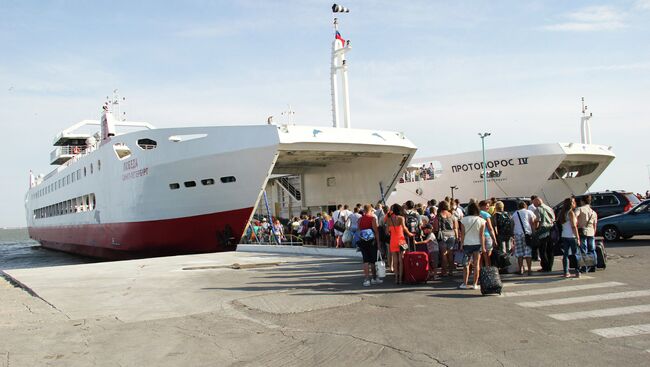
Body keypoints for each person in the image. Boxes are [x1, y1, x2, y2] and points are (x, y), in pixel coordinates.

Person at [458, 202, 486, 289]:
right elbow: (482, 235)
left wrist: (461, 244)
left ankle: (464, 283)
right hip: (477, 244)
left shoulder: (463, 220)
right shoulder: (481, 220)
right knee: (476, 264)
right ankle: (475, 284)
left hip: (467, 243)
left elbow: (462, 234)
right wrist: (483, 246)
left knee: (466, 264)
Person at [385, 203, 415, 284]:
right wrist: (410, 234)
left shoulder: (389, 219)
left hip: (393, 240)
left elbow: (387, 232)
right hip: (401, 240)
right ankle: (401, 279)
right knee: (401, 260)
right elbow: (404, 228)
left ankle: (396, 278)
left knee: (395, 260)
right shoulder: (401, 218)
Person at [358, 204, 382, 286]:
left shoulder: (360, 219)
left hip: (363, 241)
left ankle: (366, 279)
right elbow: (376, 232)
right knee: (372, 261)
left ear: (364, 210)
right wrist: (378, 243)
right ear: (371, 210)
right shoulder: (372, 218)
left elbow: (360, 230)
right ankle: (374, 278)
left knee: (365, 261)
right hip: (372, 241)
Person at [433, 200, 458, 277]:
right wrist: (456, 237)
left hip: (442, 236)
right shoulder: (452, 215)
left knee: (443, 254)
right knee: (450, 254)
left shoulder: (438, 216)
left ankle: (444, 271)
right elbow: (455, 228)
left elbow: (436, 228)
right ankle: (451, 271)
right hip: (452, 235)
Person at [559, 197, 581, 278]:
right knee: (575, 254)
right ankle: (577, 271)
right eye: (574, 202)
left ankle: (566, 272)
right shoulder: (571, 213)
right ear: (571, 203)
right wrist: (577, 237)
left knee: (566, 254)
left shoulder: (562, 213)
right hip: (572, 236)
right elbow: (573, 226)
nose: (575, 203)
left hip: (564, 235)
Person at [512, 201, 537, 275]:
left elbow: (512, 224)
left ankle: (521, 270)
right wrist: (534, 232)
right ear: (525, 206)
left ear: (518, 207)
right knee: (528, 252)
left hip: (517, 234)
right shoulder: (529, 212)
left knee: (520, 253)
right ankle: (529, 270)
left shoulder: (515, 213)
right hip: (527, 234)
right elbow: (533, 222)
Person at [532, 197, 556, 272]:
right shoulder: (549, 208)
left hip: (543, 232)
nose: (534, 204)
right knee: (550, 250)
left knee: (543, 250)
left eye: (534, 203)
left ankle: (545, 267)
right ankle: (550, 266)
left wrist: (535, 230)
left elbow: (537, 221)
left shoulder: (538, 209)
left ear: (538, 202)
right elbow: (554, 218)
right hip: (551, 230)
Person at [575, 195, 597, 272]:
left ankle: (584, 267)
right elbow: (595, 225)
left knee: (583, 250)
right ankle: (593, 266)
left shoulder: (579, 209)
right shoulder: (593, 212)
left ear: (582, 201)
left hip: (582, 231)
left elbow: (574, 217)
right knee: (592, 249)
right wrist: (594, 232)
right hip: (591, 231)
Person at [478, 200, 498, 267]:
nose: (488, 207)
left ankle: (480, 271)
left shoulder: (476, 214)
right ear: (482, 206)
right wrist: (494, 239)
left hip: (478, 236)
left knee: (480, 256)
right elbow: (490, 228)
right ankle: (488, 270)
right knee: (488, 256)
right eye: (486, 206)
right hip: (487, 235)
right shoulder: (486, 215)